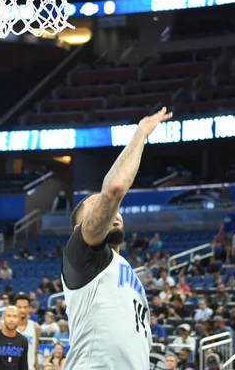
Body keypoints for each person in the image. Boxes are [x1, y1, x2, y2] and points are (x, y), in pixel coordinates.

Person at [62, 108, 172, 369]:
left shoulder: (122, 268)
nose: (114, 211)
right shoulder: (83, 254)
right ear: (80, 227)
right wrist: (141, 133)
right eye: (98, 206)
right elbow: (114, 189)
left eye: (112, 208)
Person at [14, 295, 40, 370]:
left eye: (25, 307)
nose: (22, 310)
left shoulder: (35, 327)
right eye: (19, 307)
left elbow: (35, 353)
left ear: (29, 309)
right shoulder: (8, 328)